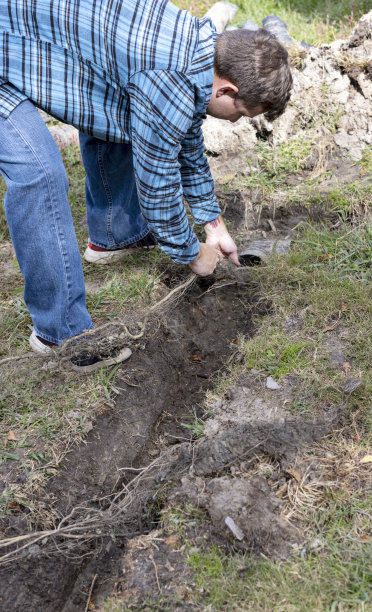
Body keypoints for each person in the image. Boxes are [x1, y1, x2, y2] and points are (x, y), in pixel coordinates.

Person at [0, 0, 292, 370]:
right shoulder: (168, 79)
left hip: (33, 35)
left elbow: (184, 136)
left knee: (119, 114)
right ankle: (61, 334)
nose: (235, 122)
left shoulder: (201, 51)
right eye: (241, 113)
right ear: (227, 90)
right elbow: (158, 189)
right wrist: (193, 254)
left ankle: (115, 235)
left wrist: (212, 224)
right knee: (39, 174)